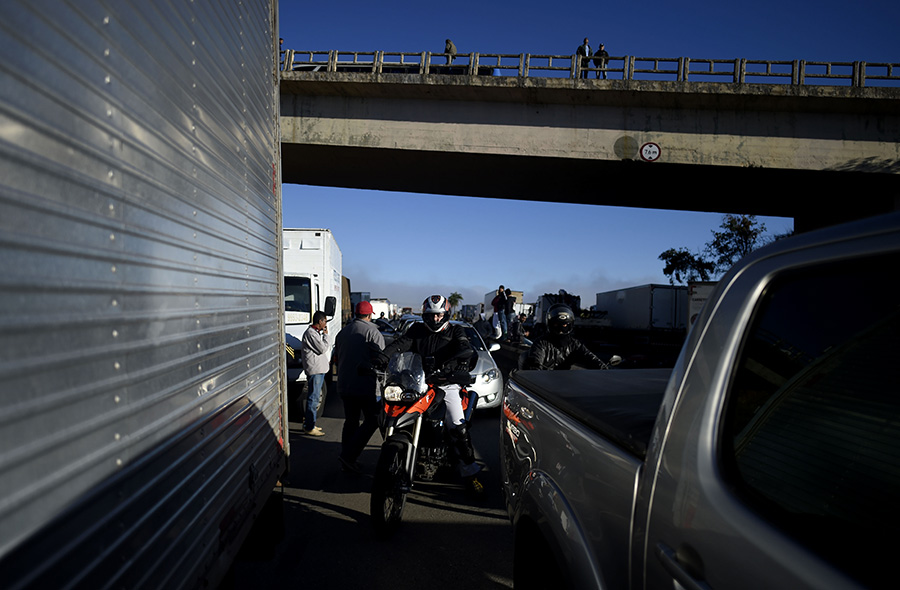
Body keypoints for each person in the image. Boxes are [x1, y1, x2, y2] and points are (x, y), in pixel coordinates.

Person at [380, 295, 484, 493]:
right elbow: (400, 344)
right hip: (418, 383)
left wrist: (459, 363)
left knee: (458, 426)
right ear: (424, 315)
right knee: (392, 410)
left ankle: (472, 474)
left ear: (446, 314)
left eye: (439, 315)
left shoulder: (455, 330)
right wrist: (383, 356)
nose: (436, 319)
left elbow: (464, 347)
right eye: (431, 315)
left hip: (447, 384)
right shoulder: (417, 330)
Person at [333, 301, 385, 473]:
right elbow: (382, 360)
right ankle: (350, 455)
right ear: (370, 315)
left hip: (345, 385)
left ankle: (346, 458)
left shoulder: (342, 332)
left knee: (351, 421)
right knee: (373, 419)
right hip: (365, 386)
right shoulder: (372, 332)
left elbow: (336, 359)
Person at [524, 304, 609, 370]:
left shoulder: (574, 344)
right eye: (557, 325)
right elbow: (534, 364)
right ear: (550, 324)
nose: (561, 329)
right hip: (543, 386)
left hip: (566, 385)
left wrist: (604, 369)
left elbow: (590, 358)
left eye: (564, 324)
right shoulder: (541, 343)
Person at [300, 311, 330, 436]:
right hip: (315, 370)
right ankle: (309, 427)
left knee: (315, 397)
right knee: (313, 398)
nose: (326, 324)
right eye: (325, 321)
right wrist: (326, 336)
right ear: (320, 321)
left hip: (319, 369)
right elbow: (322, 349)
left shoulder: (315, 333)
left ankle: (310, 422)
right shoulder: (311, 334)